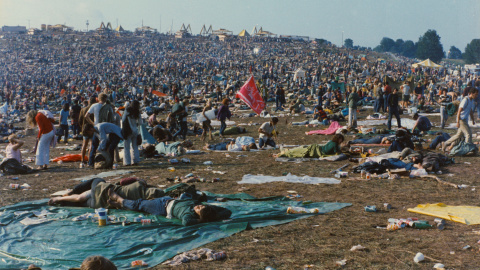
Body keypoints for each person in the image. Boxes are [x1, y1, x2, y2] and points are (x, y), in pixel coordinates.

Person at [107, 188, 232, 226]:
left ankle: (119, 199)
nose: (198, 206)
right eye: (200, 206)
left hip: (161, 208)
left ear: (198, 215)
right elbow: (227, 211)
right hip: (168, 199)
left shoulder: (188, 215)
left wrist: (202, 220)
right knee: (142, 202)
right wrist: (213, 214)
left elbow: (186, 222)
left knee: (139, 204)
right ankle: (121, 205)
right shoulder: (203, 208)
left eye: (199, 209)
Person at [275, 134, 344, 158]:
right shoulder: (334, 144)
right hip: (315, 150)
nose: (341, 141)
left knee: (298, 150)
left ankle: (285, 151)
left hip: (315, 147)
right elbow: (337, 153)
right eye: (341, 140)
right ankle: (285, 152)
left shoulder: (331, 142)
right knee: (299, 152)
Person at [122, 100, 142, 166]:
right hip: (135, 130)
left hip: (128, 130)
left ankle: (127, 162)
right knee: (135, 146)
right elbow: (140, 123)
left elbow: (123, 119)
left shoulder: (127, 110)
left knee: (126, 147)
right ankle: (136, 160)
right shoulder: (137, 112)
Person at [78, 97, 96, 165]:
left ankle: (82, 159)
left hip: (85, 129)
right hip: (91, 129)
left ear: (88, 101)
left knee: (84, 145)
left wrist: (82, 127)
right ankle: (89, 159)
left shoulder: (83, 109)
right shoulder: (94, 109)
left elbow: (79, 120)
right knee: (91, 145)